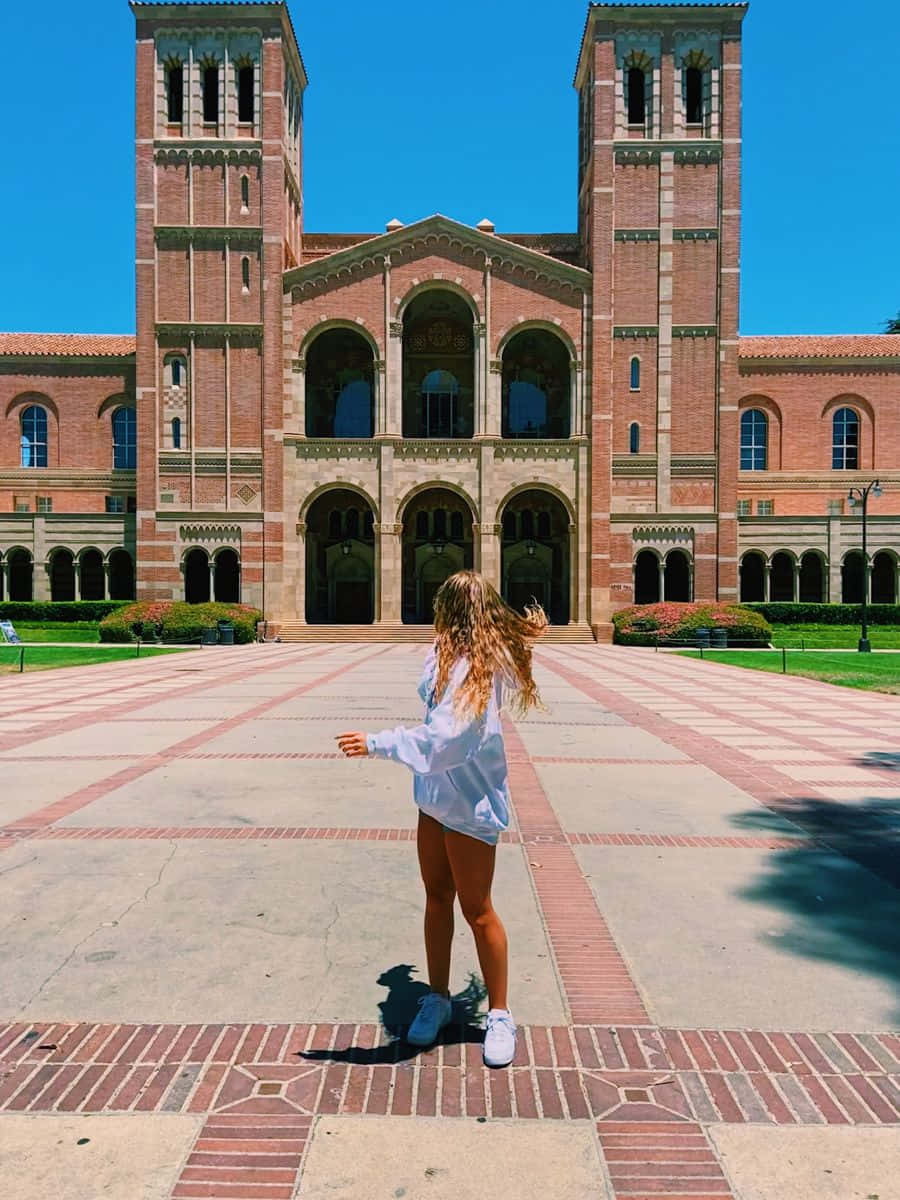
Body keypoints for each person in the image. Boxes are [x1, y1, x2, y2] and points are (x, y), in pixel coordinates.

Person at [337, 569, 546, 1068]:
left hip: (470, 805)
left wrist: (376, 743)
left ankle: (498, 1012)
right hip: (433, 801)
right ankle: (437, 995)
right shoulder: (446, 655)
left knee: (478, 910)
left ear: (455, 613)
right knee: (436, 899)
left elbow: (445, 741)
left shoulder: (480, 668)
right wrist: (396, 983)